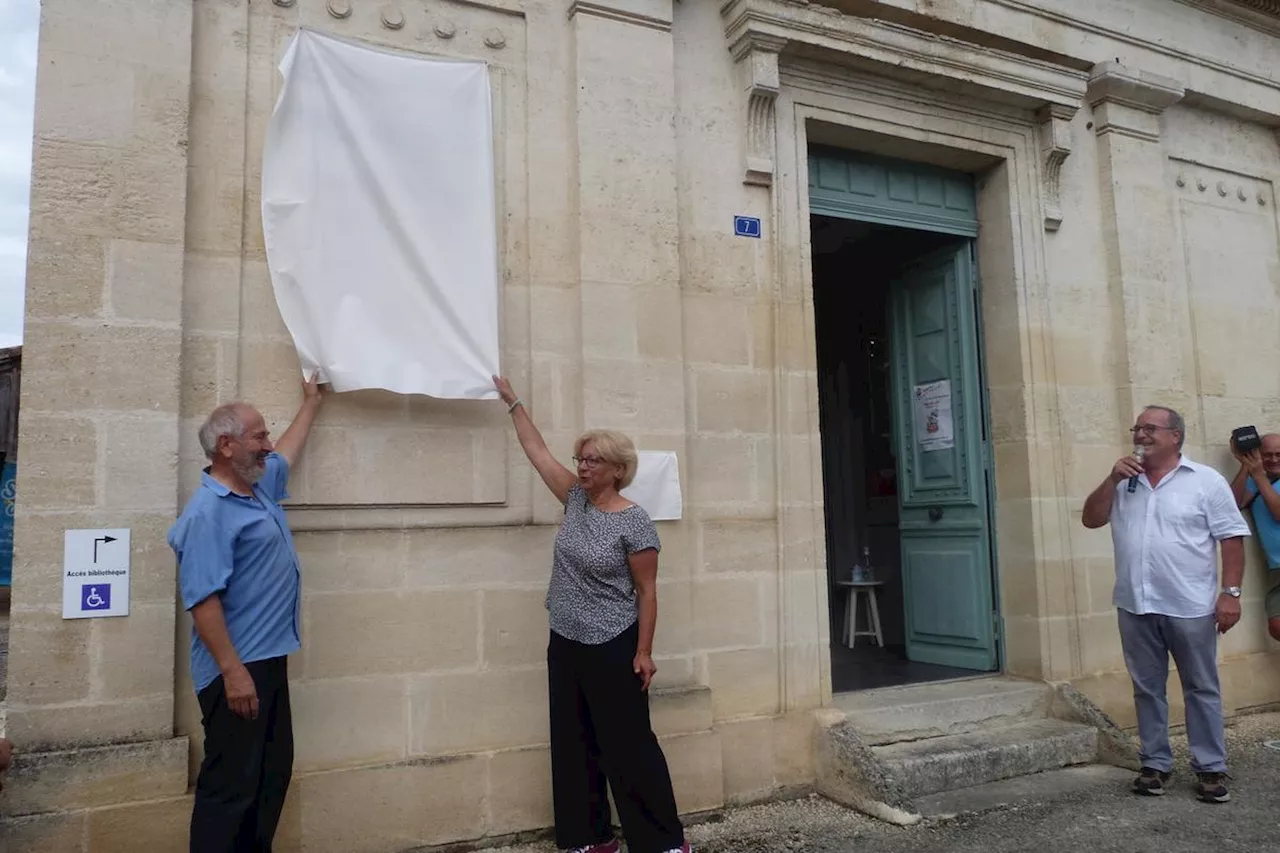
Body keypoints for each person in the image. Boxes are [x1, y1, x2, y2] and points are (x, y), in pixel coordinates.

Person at [493, 376, 690, 853]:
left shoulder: (633, 520)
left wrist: (644, 652)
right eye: (580, 458)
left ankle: (663, 842)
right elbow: (537, 451)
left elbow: (647, 591)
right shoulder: (574, 500)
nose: (581, 467)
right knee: (573, 742)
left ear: (617, 470)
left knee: (628, 747)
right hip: (565, 640)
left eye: (592, 460)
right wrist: (515, 402)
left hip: (612, 644)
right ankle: (590, 839)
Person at [169, 374, 327, 852]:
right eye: (258, 436)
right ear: (225, 445)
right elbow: (202, 600)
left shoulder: (256, 486)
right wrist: (233, 672)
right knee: (230, 787)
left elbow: (289, 452)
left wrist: (312, 403)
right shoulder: (206, 514)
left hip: (268, 660)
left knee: (270, 775)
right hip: (236, 670)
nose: (268, 444)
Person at [1081, 405, 1249, 804]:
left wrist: (1231, 593)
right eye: (1137, 428)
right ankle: (1154, 763)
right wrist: (1110, 478)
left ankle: (1210, 767)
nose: (1141, 435)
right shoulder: (1124, 481)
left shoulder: (1205, 481)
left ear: (1175, 436)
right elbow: (1091, 519)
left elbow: (1231, 537)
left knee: (1201, 687)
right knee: (1146, 688)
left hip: (1189, 603)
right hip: (1135, 602)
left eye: (1150, 428)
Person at [1228, 432, 1280, 642]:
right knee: (1276, 626)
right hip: (1276, 567)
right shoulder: (1256, 480)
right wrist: (1245, 465)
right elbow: (1232, 505)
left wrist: (1258, 475)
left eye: (1279, 454)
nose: (1274, 460)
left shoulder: (1259, 479)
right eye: (1267, 454)